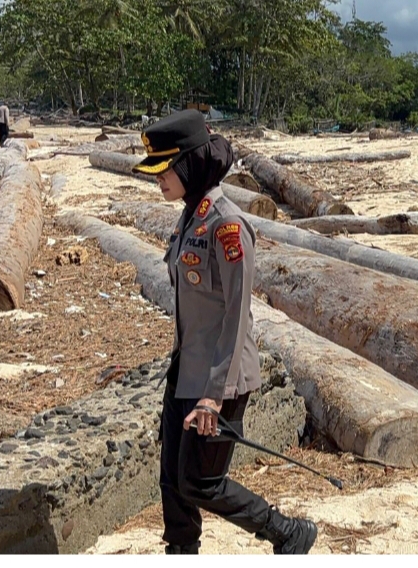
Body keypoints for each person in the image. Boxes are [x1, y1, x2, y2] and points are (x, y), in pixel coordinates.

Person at [133, 109, 317, 555]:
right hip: (185, 370)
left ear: (190, 164)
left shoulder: (227, 225)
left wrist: (214, 394)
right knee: (172, 483)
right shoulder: (189, 216)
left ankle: (286, 531)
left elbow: (236, 318)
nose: (158, 179)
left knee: (201, 484)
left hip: (222, 378)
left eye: (164, 169)